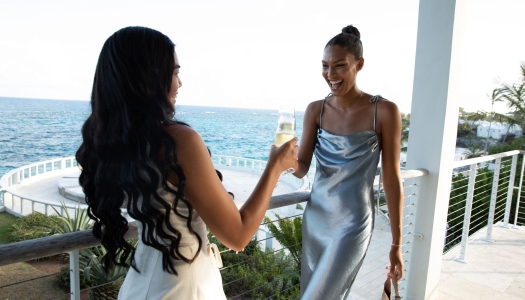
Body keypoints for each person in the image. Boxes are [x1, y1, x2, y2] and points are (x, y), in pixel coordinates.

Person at [75, 26, 298, 300]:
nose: (179, 83)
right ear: (149, 77)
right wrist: (274, 167)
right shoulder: (179, 141)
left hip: (141, 284)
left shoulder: (114, 141)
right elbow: (237, 236)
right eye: (175, 73)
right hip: (183, 288)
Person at [292, 25, 404, 299]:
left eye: (339, 66)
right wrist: (283, 160)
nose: (330, 74)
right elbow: (302, 166)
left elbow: (391, 179)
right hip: (316, 219)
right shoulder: (315, 109)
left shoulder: (384, 111)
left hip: (353, 224)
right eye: (325, 66)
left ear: (359, 64)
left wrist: (396, 243)